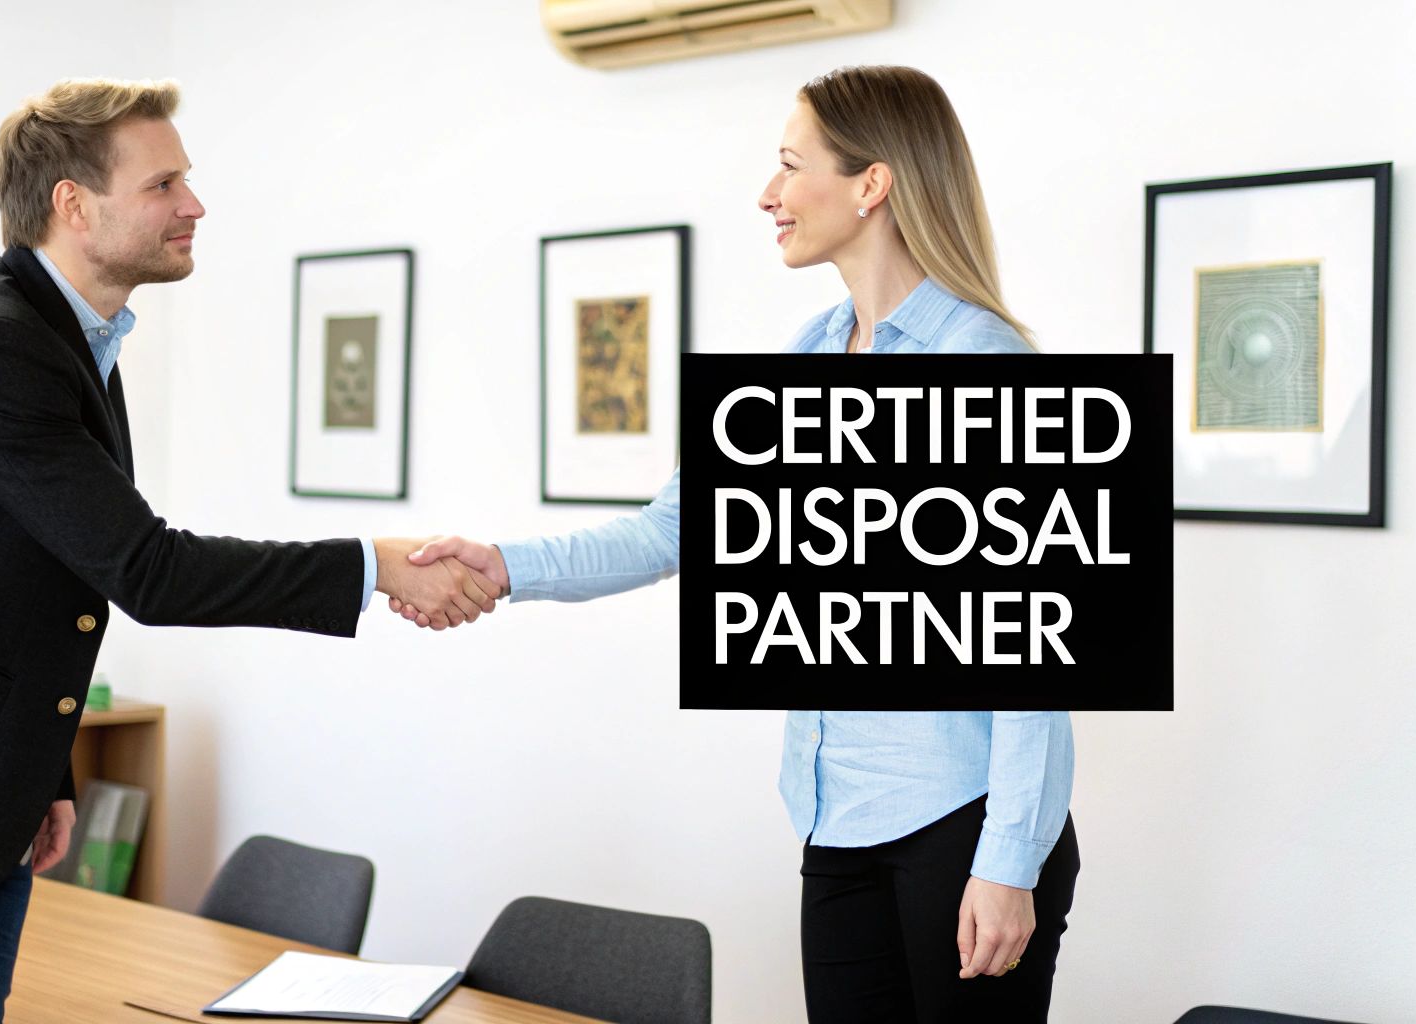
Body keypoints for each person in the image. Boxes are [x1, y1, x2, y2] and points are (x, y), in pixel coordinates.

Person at [0, 77, 495, 1024]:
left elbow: (30, 582)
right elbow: (145, 570)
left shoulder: (70, 337)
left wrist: (41, 773)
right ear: (72, 204)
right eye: (164, 184)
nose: (194, 205)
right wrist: (375, 562)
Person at [392, 66, 1078, 1023]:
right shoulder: (804, 357)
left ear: (871, 184)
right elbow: (678, 526)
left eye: (792, 167)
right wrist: (505, 567)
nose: (769, 194)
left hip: (959, 830)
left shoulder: (987, 365)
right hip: (833, 816)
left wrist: (1010, 862)